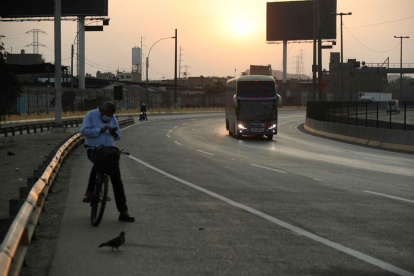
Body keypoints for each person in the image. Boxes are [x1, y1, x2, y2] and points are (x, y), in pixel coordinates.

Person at [80, 101, 135, 222]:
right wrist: (100, 129)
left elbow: (119, 136)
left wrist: (113, 133)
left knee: (117, 180)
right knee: (98, 163)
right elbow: (83, 131)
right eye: (108, 115)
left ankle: (123, 212)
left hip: (109, 151)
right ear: (102, 111)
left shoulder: (113, 118)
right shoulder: (91, 115)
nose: (109, 118)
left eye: (111, 116)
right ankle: (90, 191)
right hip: (94, 149)